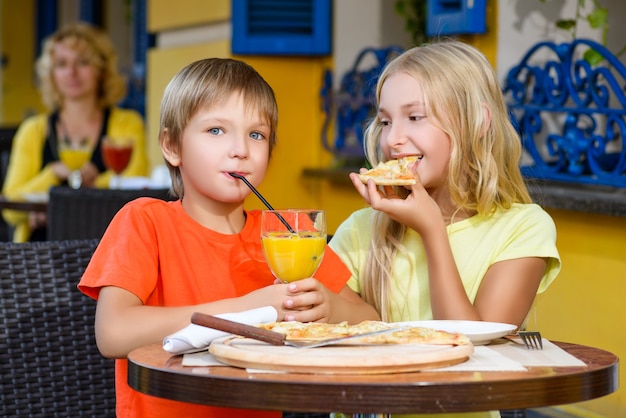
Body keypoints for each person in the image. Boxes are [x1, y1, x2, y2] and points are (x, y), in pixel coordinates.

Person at [78, 57, 380, 418]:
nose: (241, 149)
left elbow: (372, 321)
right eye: (216, 131)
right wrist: (250, 309)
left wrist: (330, 309)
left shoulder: (286, 234)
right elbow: (113, 333)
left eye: (257, 134)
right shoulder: (145, 221)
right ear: (172, 146)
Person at [329, 40, 562, 418]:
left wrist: (431, 231)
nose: (392, 139)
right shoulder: (361, 229)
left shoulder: (523, 228)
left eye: (415, 117)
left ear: (478, 122)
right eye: (386, 121)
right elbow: (330, 320)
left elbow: (473, 347)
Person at [1, 22, 148, 242]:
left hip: (107, 245)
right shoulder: (34, 130)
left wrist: (59, 208)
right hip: (38, 258)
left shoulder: (127, 124)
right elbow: (10, 208)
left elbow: (135, 183)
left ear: (101, 69)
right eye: (61, 64)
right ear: (51, 74)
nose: (72, 72)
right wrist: (52, 174)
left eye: (83, 62)